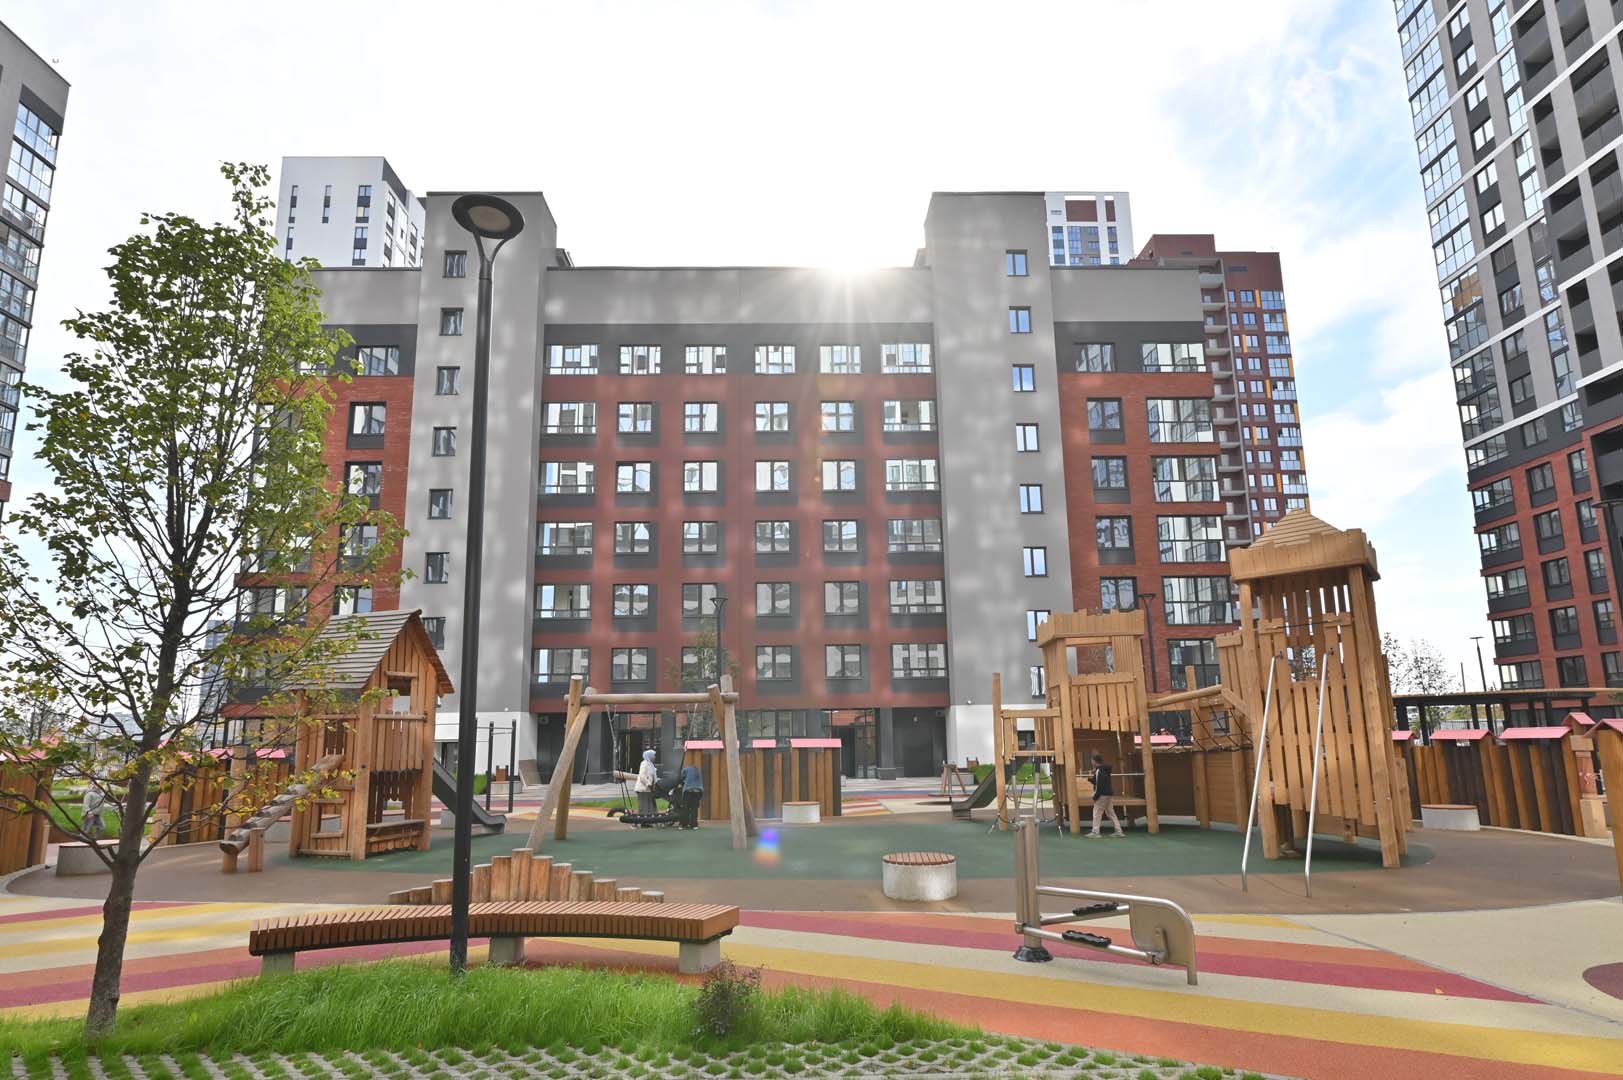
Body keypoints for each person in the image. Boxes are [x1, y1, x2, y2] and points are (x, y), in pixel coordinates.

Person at [1086, 753, 1124, 838]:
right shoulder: (1104, 769)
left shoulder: (1099, 771)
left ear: (1095, 761)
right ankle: (1118, 831)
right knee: (1110, 813)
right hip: (1108, 794)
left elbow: (1099, 785)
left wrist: (1095, 796)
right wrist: (1090, 779)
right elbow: (1098, 781)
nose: (1091, 762)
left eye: (1092, 761)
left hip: (1102, 795)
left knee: (1097, 813)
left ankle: (1095, 832)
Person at [614, 749, 660, 816]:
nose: (655, 757)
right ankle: (643, 819)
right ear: (650, 756)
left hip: (650, 789)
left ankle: (651, 817)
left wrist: (655, 785)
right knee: (644, 805)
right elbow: (642, 776)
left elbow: (653, 776)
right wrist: (649, 784)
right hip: (643, 789)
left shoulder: (651, 765)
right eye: (654, 756)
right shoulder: (644, 764)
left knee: (651, 805)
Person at [673, 761, 705, 829]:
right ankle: (694, 825)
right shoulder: (698, 770)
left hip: (688, 790)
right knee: (694, 808)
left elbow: (681, 778)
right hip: (698, 790)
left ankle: (683, 824)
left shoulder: (686, 769)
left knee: (685, 808)